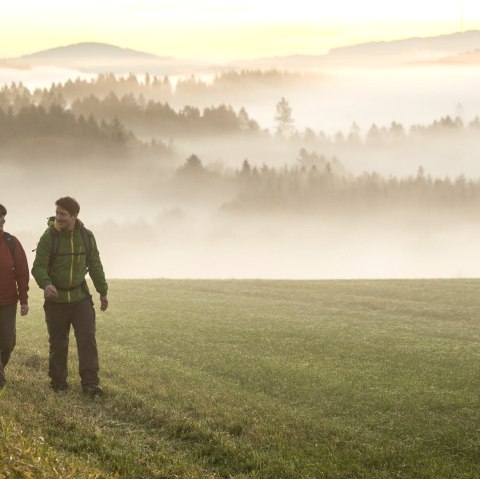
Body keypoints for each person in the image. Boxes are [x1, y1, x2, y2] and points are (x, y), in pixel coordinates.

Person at [31, 197, 108, 396]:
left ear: (74, 216)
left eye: (63, 214)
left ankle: (90, 383)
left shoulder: (86, 236)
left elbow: (95, 265)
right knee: (58, 342)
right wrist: (46, 284)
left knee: (87, 340)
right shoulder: (49, 237)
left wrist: (103, 291)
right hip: (56, 301)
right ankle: (58, 382)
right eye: (57, 213)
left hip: (81, 298)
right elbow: (38, 266)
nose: (58, 217)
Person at [0, 204, 29, 390]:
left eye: (3, 217)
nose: (2, 220)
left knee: (8, 342)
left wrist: (24, 299)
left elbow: (22, 272)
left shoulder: (11, 242)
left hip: (8, 302)